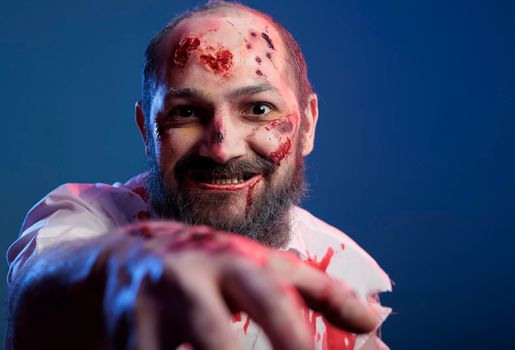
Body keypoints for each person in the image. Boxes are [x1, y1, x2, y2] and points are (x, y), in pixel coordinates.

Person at [6, 1, 392, 349]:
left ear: (307, 125)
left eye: (258, 109)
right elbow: (40, 281)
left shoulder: (345, 276)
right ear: (147, 131)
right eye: (186, 112)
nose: (222, 148)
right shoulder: (84, 218)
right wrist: (126, 264)